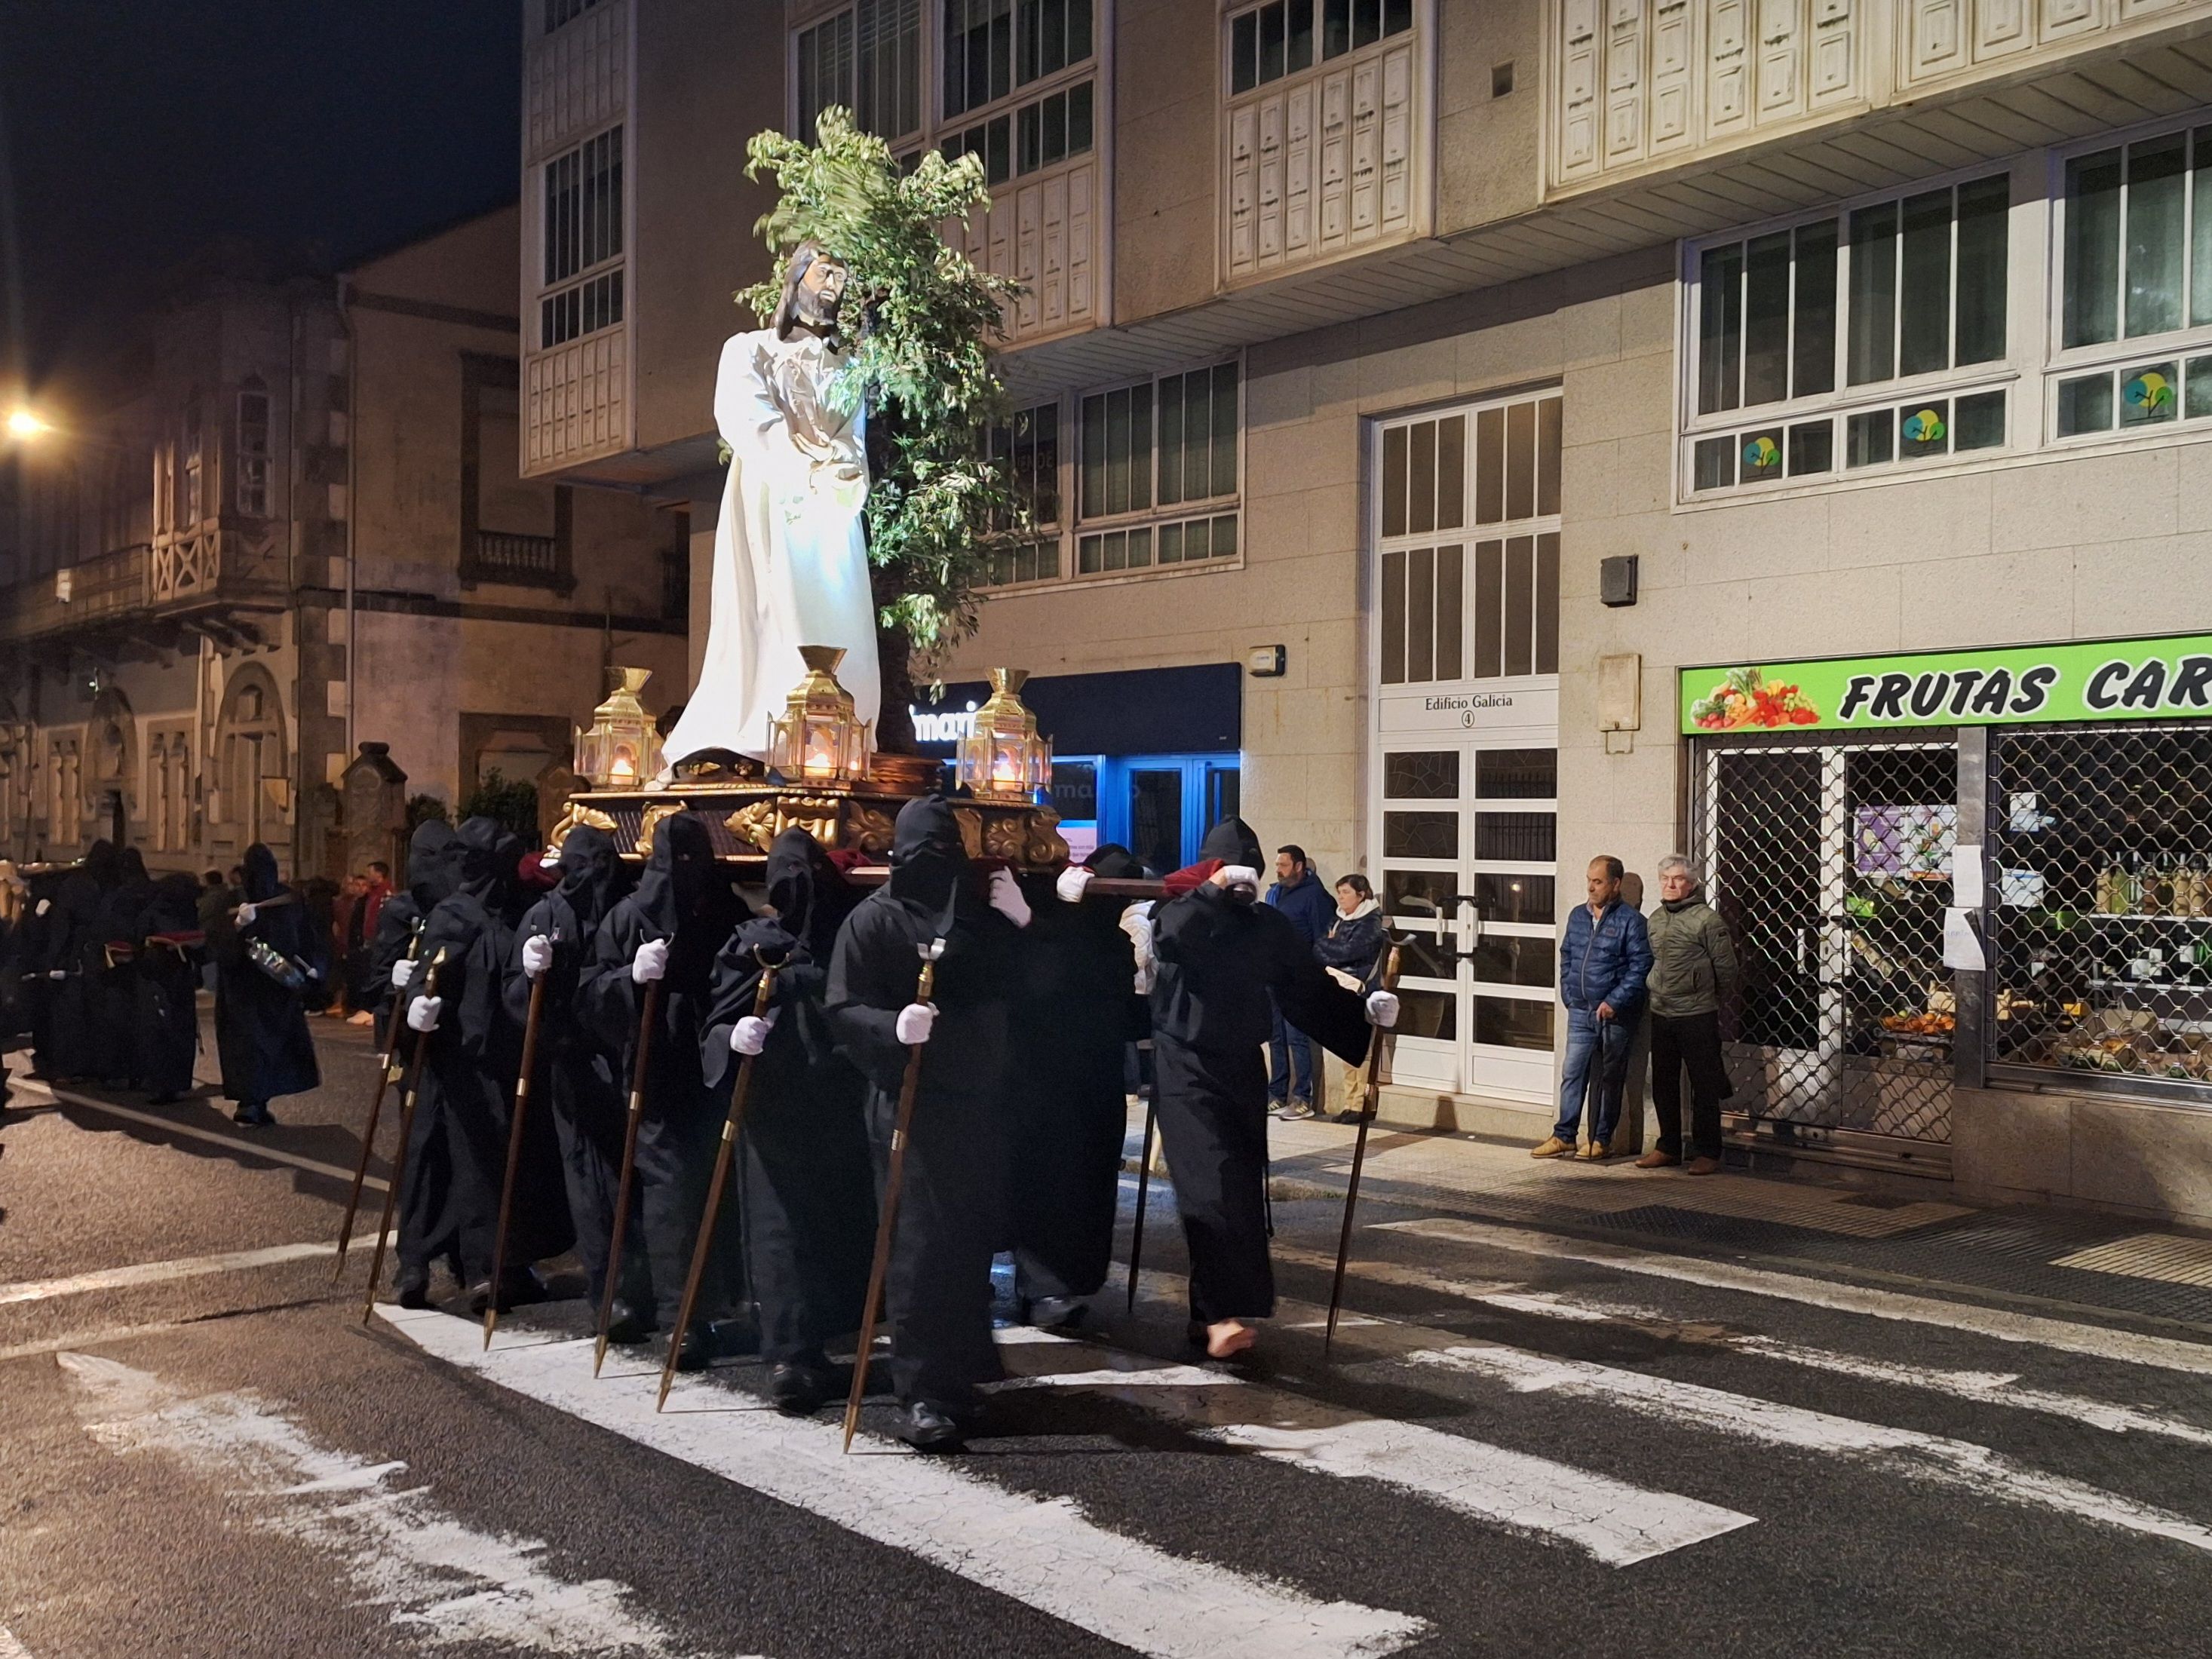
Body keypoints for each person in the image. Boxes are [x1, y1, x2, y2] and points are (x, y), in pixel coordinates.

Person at [1146, 818, 1396, 1360]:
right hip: (1184, 1068)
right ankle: (1218, 1316)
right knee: (1208, 1189)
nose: (1243, 882)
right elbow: (1169, 936)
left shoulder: (1266, 926)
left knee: (1238, 1188)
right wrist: (1208, 895)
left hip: (1239, 1064)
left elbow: (1304, 987)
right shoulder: (1182, 911)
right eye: (1231, 871)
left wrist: (1366, 1016)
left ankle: (1208, 1311)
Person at [826, 795, 1027, 1451]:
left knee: (967, 1244)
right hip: (908, 1101)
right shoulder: (871, 921)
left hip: (974, 1099)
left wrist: (1025, 926)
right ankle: (919, 1392)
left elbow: (1022, 990)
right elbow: (844, 1005)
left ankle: (958, 1375)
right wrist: (890, 1027)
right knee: (916, 1248)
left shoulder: (974, 916)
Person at [658, 240, 880, 768]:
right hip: (772, 493)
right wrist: (801, 461)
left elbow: (853, 432)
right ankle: (766, 722)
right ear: (797, 276)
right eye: (824, 272)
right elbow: (745, 415)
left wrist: (843, 469)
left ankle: (838, 726)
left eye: (841, 277)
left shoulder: (847, 365)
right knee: (773, 605)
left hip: (832, 506)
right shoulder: (750, 348)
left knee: (834, 608)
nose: (833, 285)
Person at [699, 828, 875, 1414]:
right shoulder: (751, 943)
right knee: (778, 1231)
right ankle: (788, 1353)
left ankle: (828, 1335)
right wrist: (733, 1036)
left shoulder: (842, 936)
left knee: (834, 1223)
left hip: (834, 1103)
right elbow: (718, 1018)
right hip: (773, 1108)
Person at [576, 811, 748, 1368]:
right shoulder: (630, 918)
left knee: (716, 1187)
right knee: (669, 1193)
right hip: (656, 1071)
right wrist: (630, 978)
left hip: (715, 1068)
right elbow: (591, 991)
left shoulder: (722, 911)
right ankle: (681, 1317)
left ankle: (721, 1297)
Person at [404, 817, 572, 1312]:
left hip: (516, 1051)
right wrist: (418, 1003)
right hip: (466, 1058)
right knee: (476, 1165)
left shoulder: (521, 909)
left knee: (519, 1162)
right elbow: (427, 971)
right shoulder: (453, 914)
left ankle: (514, 1261)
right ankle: (481, 1268)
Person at [1007, 844, 1147, 1332]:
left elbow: (1119, 1007)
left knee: (1090, 1183)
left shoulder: (1110, 940)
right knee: (1050, 1182)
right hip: (1050, 1079)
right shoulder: (1055, 928)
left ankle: (1074, 1281)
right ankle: (1042, 1287)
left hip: (1099, 1075)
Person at [508, 823, 630, 1314]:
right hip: (573, 1058)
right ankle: (607, 1285)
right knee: (587, 1177)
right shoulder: (548, 912)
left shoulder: (623, 908)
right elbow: (518, 997)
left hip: (619, 1057)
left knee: (624, 1176)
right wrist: (530, 972)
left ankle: (631, 1281)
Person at [1534, 855, 1652, 1162]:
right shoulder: (1577, 916)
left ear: (1616, 884)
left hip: (1614, 1016)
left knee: (1610, 1079)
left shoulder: (1632, 922)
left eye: (1598, 881)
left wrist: (1614, 1002)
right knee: (1572, 1073)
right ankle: (1564, 1136)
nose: (1591, 887)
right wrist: (1570, 995)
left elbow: (1640, 968)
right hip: (1580, 1012)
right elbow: (1567, 956)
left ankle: (1601, 1140)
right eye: (1589, 880)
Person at [1637, 855, 1741, 1177]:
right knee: (1664, 1082)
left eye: (1678, 879)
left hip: (1697, 1013)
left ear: (1692, 884)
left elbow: (1727, 968)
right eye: (1665, 878)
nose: (1670, 884)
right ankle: (1668, 1146)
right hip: (1661, 1011)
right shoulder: (1654, 919)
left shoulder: (1707, 921)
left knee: (1704, 1083)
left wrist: (1710, 999)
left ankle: (1708, 1151)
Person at [210, 844, 326, 1128]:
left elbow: (218, 944)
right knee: (260, 1046)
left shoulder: (279, 900)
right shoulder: (282, 900)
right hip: (266, 990)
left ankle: (252, 1100)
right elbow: (306, 939)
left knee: (252, 1046)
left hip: (251, 990)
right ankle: (254, 1101)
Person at [1264, 845, 1333, 1119]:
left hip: (1297, 976)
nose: (1278, 869)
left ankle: (1303, 1097)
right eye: (1277, 864)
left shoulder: (1315, 896)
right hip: (1273, 975)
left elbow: (1322, 938)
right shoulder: (1274, 892)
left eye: (1283, 864)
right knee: (1276, 1037)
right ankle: (1277, 1094)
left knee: (1298, 1038)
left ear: (1299, 866)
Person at [1316, 873, 1386, 1122]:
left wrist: (1330, 947)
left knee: (1361, 1050)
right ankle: (1349, 1102)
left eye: (1346, 892)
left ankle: (1362, 1105)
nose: (1341, 897)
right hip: (1340, 988)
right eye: (1339, 892)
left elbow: (1354, 951)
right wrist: (1331, 947)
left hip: (1361, 990)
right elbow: (1320, 947)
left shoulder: (1371, 922)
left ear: (1361, 894)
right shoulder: (1340, 918)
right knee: (1345, 1048)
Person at [135, 872, 206, 1104]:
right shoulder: (187, 911)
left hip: (158, 976)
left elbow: (139, 936)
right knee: (179, 1028)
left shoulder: (155, 909)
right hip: (179, 975)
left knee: (159, 1029)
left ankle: (160, 1083)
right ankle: (175, 1082)